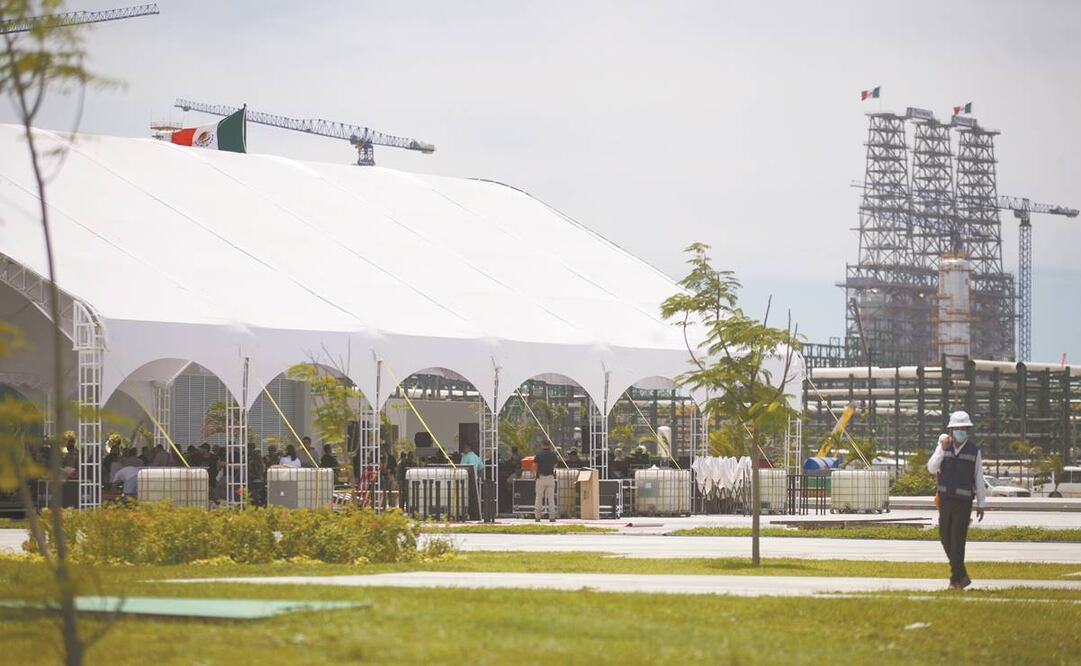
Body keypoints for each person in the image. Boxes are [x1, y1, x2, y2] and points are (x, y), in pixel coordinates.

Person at [927, 410, 987, 590]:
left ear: (968, 430)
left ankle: (955, 580)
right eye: (957, 428)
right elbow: (931, 468)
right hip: (945, 499)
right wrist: (940, 448)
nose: (960, 431)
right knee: (945, 537)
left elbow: (978, 477)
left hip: (963, 501)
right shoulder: (944, 448)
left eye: (963, 428)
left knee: (958, 540)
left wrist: (981, 504)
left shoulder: (974, 451)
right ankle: (962, 575)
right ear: (951, 430)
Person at [534, 440, 558, 523]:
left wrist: (535, 475)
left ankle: (537, 517)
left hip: (541, 477)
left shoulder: (539, 454)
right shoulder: (553, 454)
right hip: (550, 477)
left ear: (542, 445)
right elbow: (555, 464)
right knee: (551, 498)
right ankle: (552, 517)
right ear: (549, 445)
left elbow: (535, 465)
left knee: (539, 497)